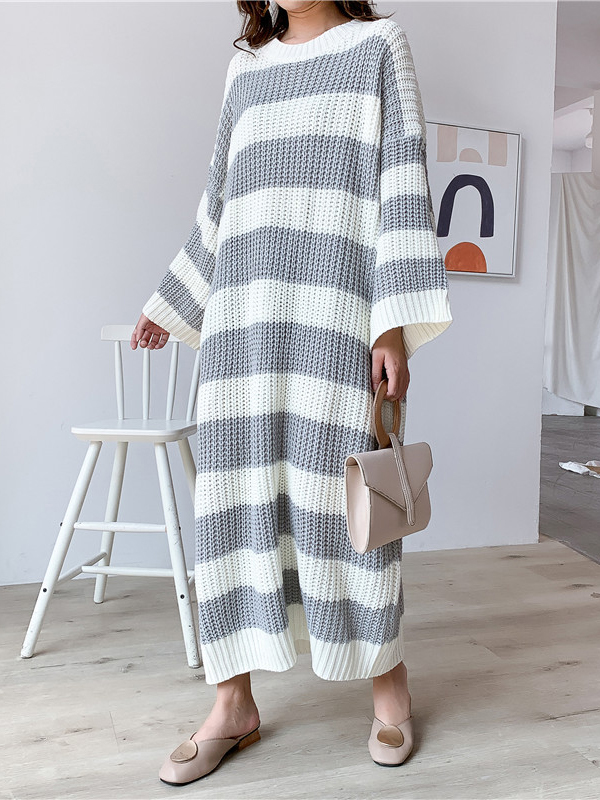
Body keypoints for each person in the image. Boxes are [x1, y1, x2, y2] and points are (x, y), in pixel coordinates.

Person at [131, 0, 453, 785]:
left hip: (336, 320)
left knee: (348, 507)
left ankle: (388, 683)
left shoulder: (378, 48)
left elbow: (403, 184)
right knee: (235, 505)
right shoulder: (245, 69)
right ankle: (232, 702)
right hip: (243, 328)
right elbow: (218, 202)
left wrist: (390, 326)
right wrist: (170, 302)